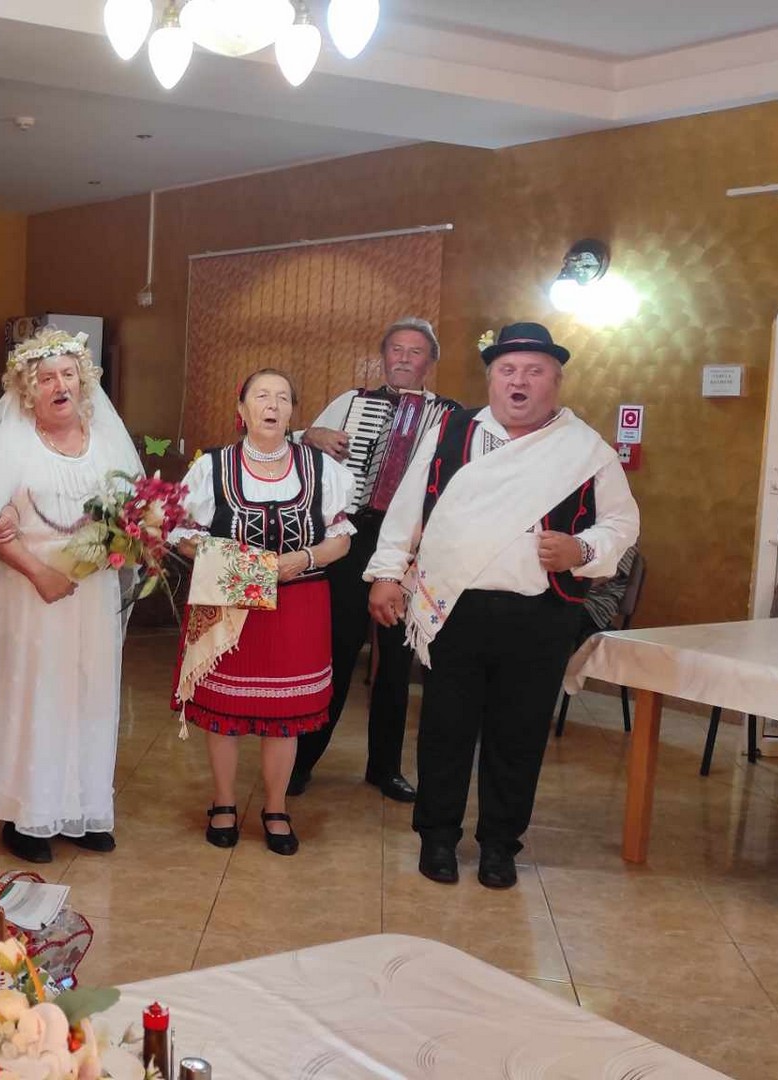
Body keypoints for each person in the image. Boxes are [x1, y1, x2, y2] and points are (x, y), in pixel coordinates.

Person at [366, 322, 640, 890]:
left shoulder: (585, 448)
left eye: (534, 371)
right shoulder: (450, 432)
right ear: (491, 378)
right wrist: (388, 574)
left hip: (540, 615)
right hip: (453, 609)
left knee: (519, 735)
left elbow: (621, 523)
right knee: (445, 729)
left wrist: (581, 549)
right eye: (508, 370)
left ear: (555, 382)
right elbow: (408, 508)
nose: (519, 381)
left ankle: (499, 845)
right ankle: (437, 838)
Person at [0, 328, 141, 864]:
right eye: (46, 378)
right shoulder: (9, 442)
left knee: (89, 696)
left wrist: (115, 550)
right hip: (30, 591)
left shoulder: (106, 441)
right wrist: (40, 573)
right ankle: (28, 815)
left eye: (68, 375)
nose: (59, 385)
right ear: (27, 389)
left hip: (91, 593)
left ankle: (83, 810)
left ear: (83, 382)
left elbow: (132, 518)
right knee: (34, 697)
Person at [171, 370, 355, 855]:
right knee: (222, 712)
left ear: (293, 411)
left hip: (299, 601)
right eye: (261, 396)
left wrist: (303, 559)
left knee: (286, 714)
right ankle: (224, 802)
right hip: (229, 599)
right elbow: (181, 533)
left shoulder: (321, 468)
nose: (272, 405)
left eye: (282, 398)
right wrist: (239, 566)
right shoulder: (212, 467)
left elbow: (341, 538)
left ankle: (276, 806)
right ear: (242, 409)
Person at [291, 318, 459, 803]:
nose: (404, 358)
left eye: (415, 351)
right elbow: (296, 446)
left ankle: (384, 768)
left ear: (431, 362)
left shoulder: (451, 418)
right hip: (353, 538)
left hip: (410, 547)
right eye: (396, 349)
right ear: (383, 356)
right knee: (337, 651)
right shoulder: (352, 402)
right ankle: (302, 760)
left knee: (396, 661)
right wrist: (310, 433)